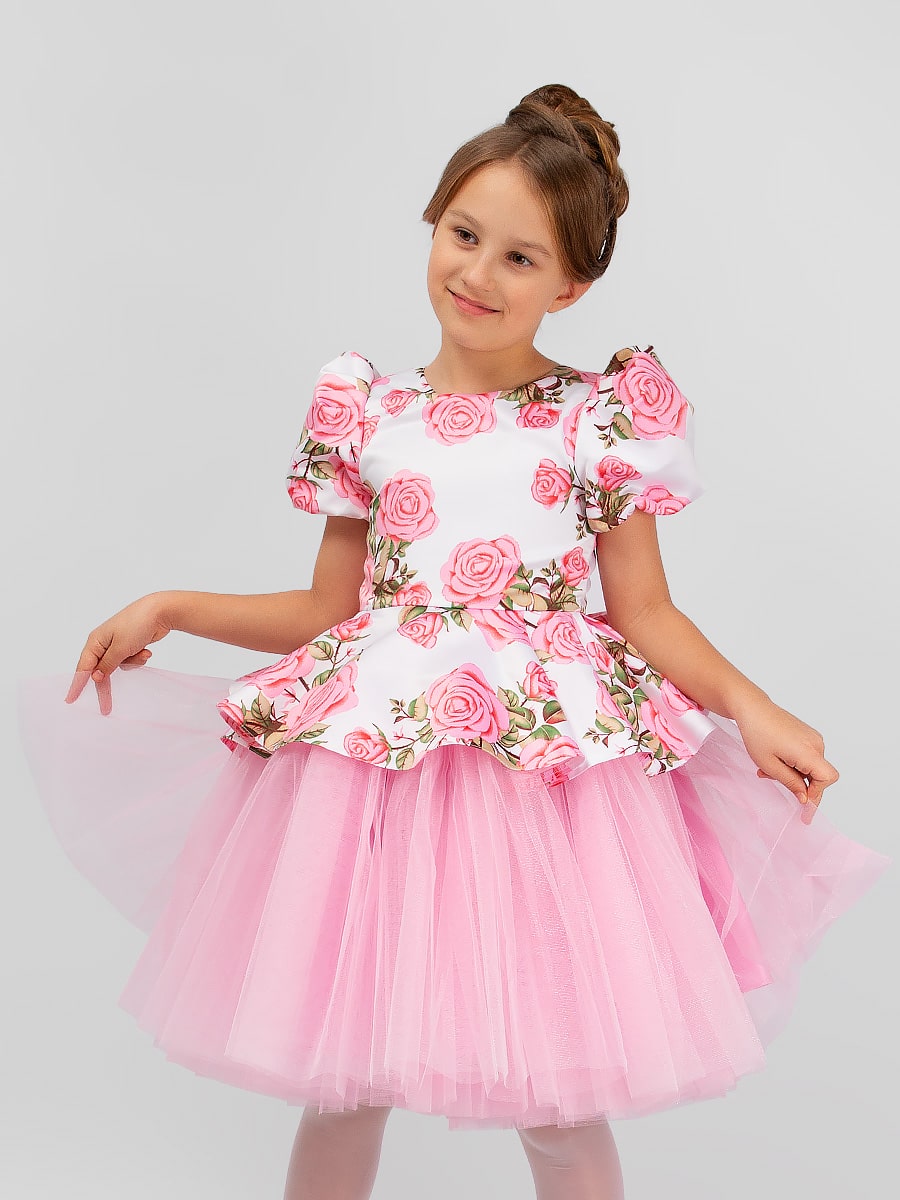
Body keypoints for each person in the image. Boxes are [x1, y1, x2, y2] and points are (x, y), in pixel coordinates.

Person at [19, 84, 891, 1200]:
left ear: (572, 286)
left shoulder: (598, 417)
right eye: (464, 235)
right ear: (432, 224)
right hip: (377, 783)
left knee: (558, 1096)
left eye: (521, 259)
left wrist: (751, 707)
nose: (478, 274)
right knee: (342, 1081)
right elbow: (330, 610)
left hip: (545, 796)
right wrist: (175, 605)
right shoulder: (368, 411)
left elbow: (646, 613)